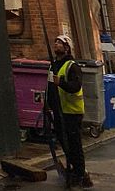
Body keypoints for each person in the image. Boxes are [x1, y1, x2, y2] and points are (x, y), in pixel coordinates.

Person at [48, 35, 91, 188]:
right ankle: (75, 169)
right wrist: (47, 104)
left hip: (72, 112)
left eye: (60, 42)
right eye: (55, 41)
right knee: (64, 143)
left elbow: (75, 87)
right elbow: (50, 87)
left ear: (66, 48)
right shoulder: (53, 66)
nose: (56, 44)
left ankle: (80, 175)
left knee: (74, 144)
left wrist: (62, 83)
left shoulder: (72, 66)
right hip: (59, 112)